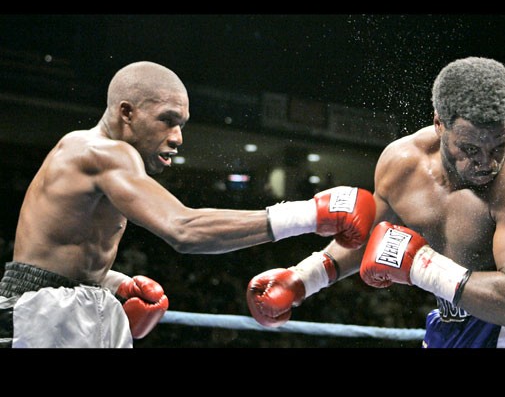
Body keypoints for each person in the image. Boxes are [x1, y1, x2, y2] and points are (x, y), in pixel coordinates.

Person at [0, 61, 376, 348]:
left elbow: (57, 251)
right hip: (39, 311)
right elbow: (184, 230)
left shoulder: (103, 161)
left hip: (71, 301)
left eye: (182, 123)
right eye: (167, 121)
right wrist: (309, 214)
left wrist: (116, 283)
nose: (178, 137)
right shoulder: (101, 152)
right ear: (126, 113)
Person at [246, 56, 505, 348]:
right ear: (439, 124)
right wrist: (304, 279)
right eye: (469, 149)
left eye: (498, 147)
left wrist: (420, 266)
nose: (486, 163)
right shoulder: (403, 163)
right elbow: (368, 237)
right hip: (451, 322)